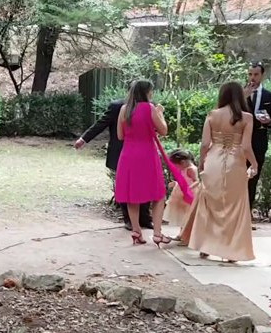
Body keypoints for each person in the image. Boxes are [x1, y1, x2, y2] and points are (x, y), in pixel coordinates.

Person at [180, 82, 258, 262]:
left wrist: (200, 163)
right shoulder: (246, 118)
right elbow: (246, 146)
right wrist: (254, 164)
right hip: (235, 162)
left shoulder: (212, 115)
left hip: (213, 161)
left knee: (210, 202)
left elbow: (205, 144)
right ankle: (232, 250)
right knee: (234, 206)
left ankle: (206, 245)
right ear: (240, 95)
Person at [75, 95, 153, 231]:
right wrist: (84, 139)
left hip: (142, 153)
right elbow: (101, 123)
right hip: (121, 151)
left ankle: (145, 219)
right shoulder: (118, 106)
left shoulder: (150, 107)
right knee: (125, 186)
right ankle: (128, 220)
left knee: (144, 184)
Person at [114, 80, 174, 247]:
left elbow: (120, 135)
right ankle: (157, 233)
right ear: (147, 92)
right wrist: (160, 113)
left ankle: (136, 231)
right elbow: (163, 130)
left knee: (133, 194)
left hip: (128, 154)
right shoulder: (150, 108)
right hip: (147, 153)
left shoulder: (124, 110)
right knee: (158, 194)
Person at [243, 61, 271, 219]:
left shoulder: (269, 96)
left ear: (262, 75)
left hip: (259, 139)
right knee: (238, 177)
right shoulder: (240, 93)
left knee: (253, 178)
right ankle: (236, 216)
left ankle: (248, 215)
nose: (253, 78)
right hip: (241, 139)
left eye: (256, 74)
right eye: (250, 74)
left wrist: (269, 121)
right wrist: (244, 97)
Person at [164, 148, 199, 239]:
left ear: (182, 162)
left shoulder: (191, 169)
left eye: (176, 165)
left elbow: (196, 181)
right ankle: (181, 234)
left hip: (189, 195)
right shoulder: (184, 168)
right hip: (181, 195)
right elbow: (183, 180)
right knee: (183, 216)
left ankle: (187, 236)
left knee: (188, 216)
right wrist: (176, 183)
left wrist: (191, 187)